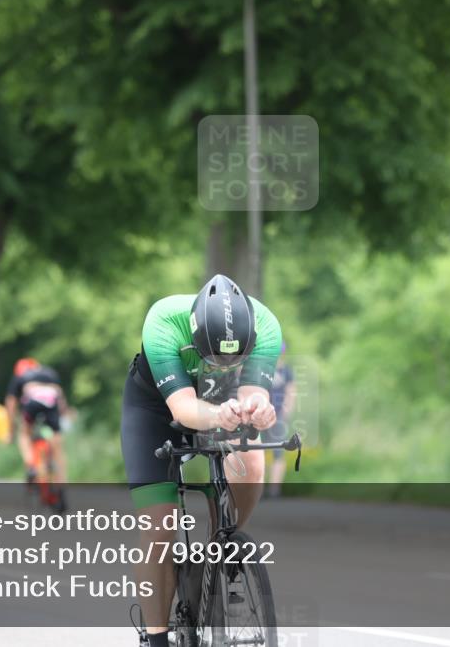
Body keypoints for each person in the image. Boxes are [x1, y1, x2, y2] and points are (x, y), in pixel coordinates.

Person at [120, 274, 282, 647]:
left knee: (251, 464)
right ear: (194, 337)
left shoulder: (267, 326)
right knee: (161, 527)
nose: (226, 364)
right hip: (156, 408)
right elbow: (185, 408)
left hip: (223, 401)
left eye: (235, 358)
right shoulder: (163, 322)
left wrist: (259, 409)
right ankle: (157, 637)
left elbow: (253, 392)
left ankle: (216, 555)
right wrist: (216, 417)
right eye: (215, 356)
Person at [5, 358, 74, 488]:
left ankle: (31, 465)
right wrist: (64, 415)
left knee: (24, 434)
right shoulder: (50, 373)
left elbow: (11, 405)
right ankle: (61, 483)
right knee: (57, 444)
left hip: (32, 402)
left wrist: (11, 431)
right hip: (51, 401)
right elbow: (61, 400)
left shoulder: (20, 377)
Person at [263, 343, 296, 497]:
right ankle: (258, 487)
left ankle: (274, 489)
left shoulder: (286, 371)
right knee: (259, 451)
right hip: (260, 415)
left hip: (277, 416)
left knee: (278, 452)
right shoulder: (264, 368)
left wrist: (285, 411)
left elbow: (291, 392)